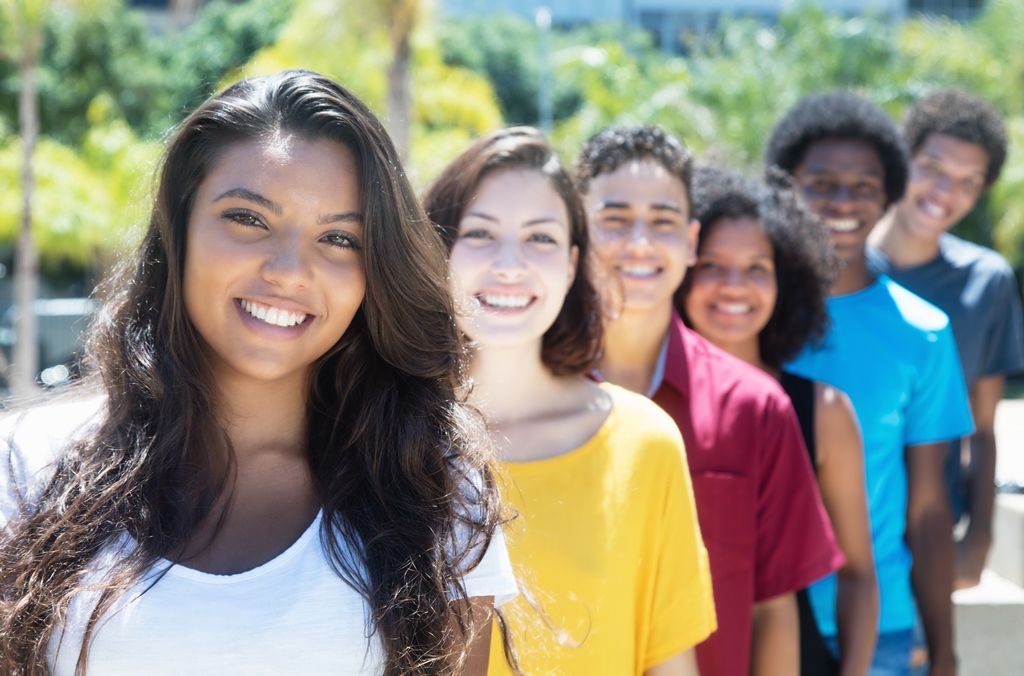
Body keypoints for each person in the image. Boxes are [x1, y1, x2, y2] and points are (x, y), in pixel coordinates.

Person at [0, 70, 518, 675]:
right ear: (179, 229)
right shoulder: (27, 465)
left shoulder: (432, 479)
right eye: (248, 219)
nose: (289, 270)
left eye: (339, 238)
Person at [424, 127, 715, 676]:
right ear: (438, 248)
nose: (510, 265)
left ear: (572, 263)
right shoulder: (379, 430)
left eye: (540, 238)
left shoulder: (643, 440)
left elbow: (671, 664)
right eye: (481, 233)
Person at [574, 125, 844, 676]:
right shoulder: (521, 401)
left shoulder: (756, 407)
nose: (641, 243)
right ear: (575, 230)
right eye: (615, 219)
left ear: (692, 241)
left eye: (664, 222)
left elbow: (773, 609)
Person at [765, 91, 975, 676]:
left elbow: (930, 509)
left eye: (864, 186)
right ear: (787, 188)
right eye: (821, 182)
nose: (843, 202)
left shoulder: (924, 333)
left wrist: (945, 651)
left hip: (882, 627)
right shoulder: (747, 312)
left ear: (888, 194)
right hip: (755, 614)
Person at [682, 166, 879, 675]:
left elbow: (858, 573)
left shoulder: (825, 411)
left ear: (785, 280)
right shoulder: (643, 401)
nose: (734, 287)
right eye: (712, 265)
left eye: (756, 268)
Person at [867, 89, 1024, 591]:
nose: (943, 190)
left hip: (927, 534)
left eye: (967, 182)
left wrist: (978, 539)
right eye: (931, 166)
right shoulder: (838, 266)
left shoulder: (987, 281)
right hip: (832, 523)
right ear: (902, 159)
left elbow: (982, 428)